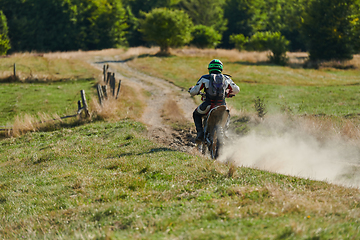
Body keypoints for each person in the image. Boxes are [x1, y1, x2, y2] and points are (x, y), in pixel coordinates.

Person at [188, 59, 240, 142]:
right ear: (221, 69)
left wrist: (191, 90)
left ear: (209, 69)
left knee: (196, 114)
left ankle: (200, 134)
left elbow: (194, 92)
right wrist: (228, 93)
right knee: (227, 114)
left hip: (207, 105)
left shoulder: (204, 78)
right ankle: (225, 132)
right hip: (222, 106)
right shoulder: (226, 78)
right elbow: (236, 90)